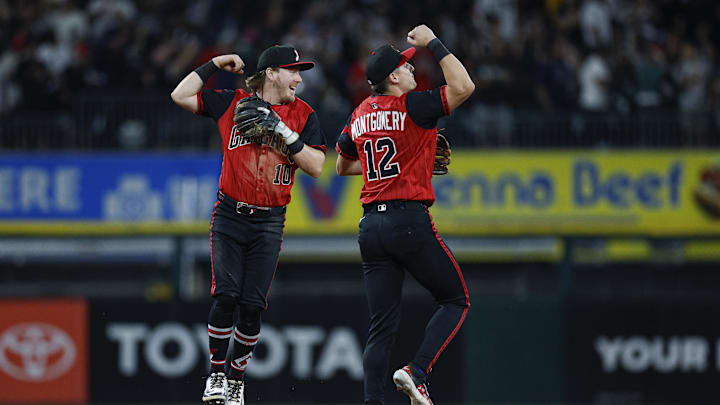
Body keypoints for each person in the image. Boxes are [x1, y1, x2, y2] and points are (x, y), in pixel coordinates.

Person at [170, 45, 326, 405]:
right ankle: (217, 376)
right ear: (271, 72)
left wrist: (283, 131)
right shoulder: (232, 102)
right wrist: (213, 64)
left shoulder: (303, 115)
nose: (299, 79)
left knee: (253, 305)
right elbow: (179, 95)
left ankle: (237, 381)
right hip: (229, 215)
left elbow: (317, 166)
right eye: (293, 71)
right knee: (225, 295)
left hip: (269, 220)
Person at [335, 25, 474, 405]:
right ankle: (417, 372)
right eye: (408, 67)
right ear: (393, 77)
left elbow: (343, 165)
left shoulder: (360, 113)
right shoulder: (413, 105)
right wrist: (434, 43)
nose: (415, 70)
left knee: (381, 329)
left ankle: (372, 402)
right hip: (407, 221)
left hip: (370, 228)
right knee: (455, 299)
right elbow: (464, 87)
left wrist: (404, 162)